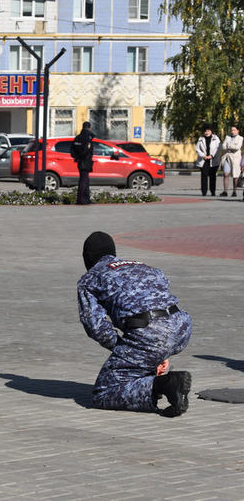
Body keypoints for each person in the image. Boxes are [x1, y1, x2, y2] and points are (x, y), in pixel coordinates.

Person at [78, 231, 193, 417]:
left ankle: (163, 385)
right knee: (143, 355)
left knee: (103, 392)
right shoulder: (144, 266)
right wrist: (156, 352)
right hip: (182, 327)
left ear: (88, 258)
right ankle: (159, 379)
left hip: (149, 333)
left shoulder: (90, 278)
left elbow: (95, 326)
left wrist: (123, 347)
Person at [70, 121, 94, 205]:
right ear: (89, 127)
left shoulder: (78, 137)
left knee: (85, 179)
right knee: (83, 180)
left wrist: (77, 157)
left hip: (80, 161)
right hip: (85, 160)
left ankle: (86, 199)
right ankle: (81, 199)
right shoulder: (88, 137)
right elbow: (87, 150)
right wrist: (83, 157)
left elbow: (72, 149)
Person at [196, 125, 221, 196]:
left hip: (213, 160)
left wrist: (212, 155)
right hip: (203, 160)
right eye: (205, 131)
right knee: (204, 176)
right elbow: (197, 149)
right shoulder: (200, 139)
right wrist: (204, 156)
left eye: (208, 131)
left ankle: (213, 191)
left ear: (211, 131)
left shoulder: (216, 138)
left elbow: (218, 148)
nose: (207, 132)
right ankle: (204, 191)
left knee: (213, 176)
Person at [219, 126, 242, 197]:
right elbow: (223, 147)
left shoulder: (240, 138)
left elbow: (237, 147)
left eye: (234, 130)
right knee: (226, 174)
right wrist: (230, 147)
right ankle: (225, 191)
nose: (232, 131)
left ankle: (234, 191)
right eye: (231, 130)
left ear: (238, 131)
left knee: (235, 175)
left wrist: (228, 146)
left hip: (235, 158)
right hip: (227, 157)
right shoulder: (227, 137)